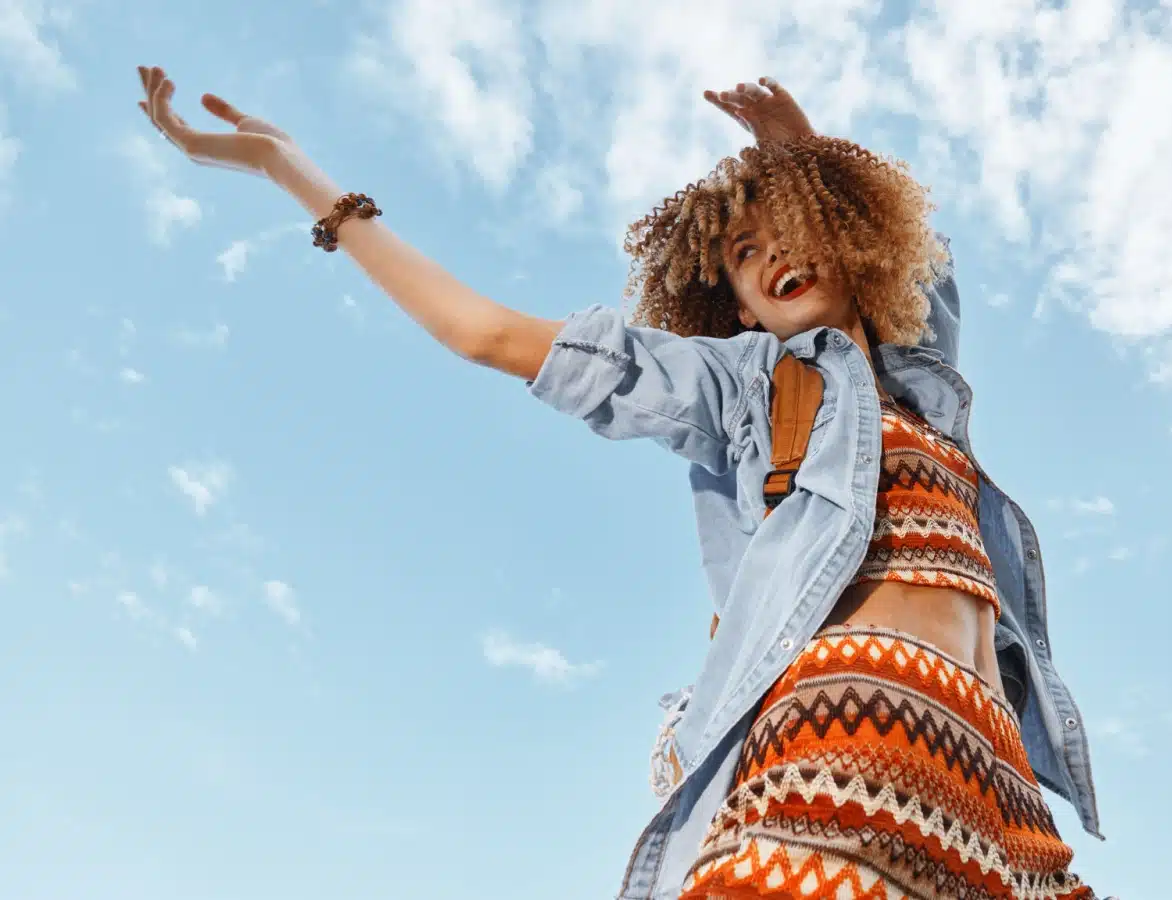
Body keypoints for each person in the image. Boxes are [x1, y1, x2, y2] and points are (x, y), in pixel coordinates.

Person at [135, 67, 1106, 900]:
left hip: (1005, 788)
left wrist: (802, 154)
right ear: (728, 302)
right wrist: (289, 171)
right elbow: (482, 331)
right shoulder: (743, 385)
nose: (769, 255)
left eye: (790, 227)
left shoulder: (924, 392)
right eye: (741, 253)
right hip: (850, 725)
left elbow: (931, 281)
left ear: (851, 239)